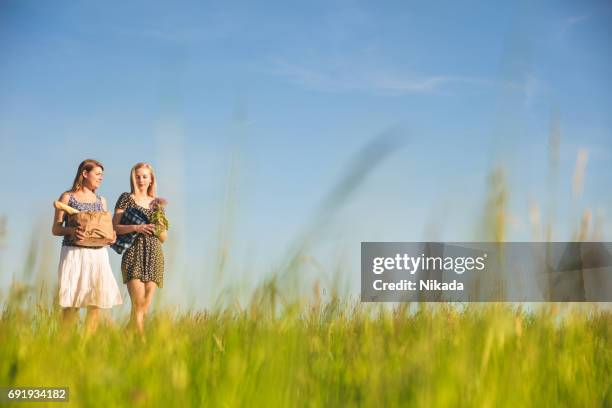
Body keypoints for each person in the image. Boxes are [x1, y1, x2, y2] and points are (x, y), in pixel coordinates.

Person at [52, 159, 122, 333]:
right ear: (84, 173)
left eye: (102, 175)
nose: (101, 178)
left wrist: (111, 236)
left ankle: (86, 346)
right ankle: (64, 344)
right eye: (97, 174)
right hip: (74, 253)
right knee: (70, 304)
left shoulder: (101, 201)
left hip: (98, 255)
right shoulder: (67, 197)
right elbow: (55, 229)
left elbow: (105, 228)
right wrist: (71, 231)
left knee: (95, 304)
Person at [113, 162, 167, 336]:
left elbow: (164, 237)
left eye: (145, 176)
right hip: (133, 253)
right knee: (138, 304)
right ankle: (142, 346)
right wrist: (136, 228)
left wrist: (158, 226)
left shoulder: (157, 204)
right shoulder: (126, 198)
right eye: (138, 176)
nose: (141, 180)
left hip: (154, 254)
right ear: (133, 178)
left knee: (143, 309)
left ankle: (125, 340)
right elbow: (115, 227)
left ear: (151, 179)